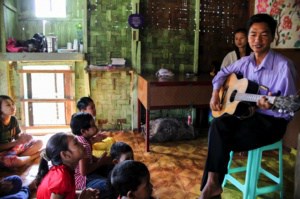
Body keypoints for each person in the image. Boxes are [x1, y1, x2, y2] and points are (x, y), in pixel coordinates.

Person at [198, 13, 298, 199]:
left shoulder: (284, 67)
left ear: (273, 36)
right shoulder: (245, 62)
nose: (257, 40)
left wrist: (271, 106)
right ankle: (212, 184)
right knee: (218, 125)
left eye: (264, 34)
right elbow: (221, 74)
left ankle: (211, 188)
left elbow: (290, 108)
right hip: (249, 116)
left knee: (218, 141)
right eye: (253, 34)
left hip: (271, 124)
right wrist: (215, 93)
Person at [35, 132, 99, 199]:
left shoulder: (65, 170)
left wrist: (83, 193)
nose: (82, 144)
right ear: (65, 155)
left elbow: (67, 194)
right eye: (76, 143)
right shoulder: (61, 176)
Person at [70, 112, 112, 198]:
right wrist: (100, 162)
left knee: (111, 168)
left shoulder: (85, 139)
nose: (96, 126)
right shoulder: (83, 146)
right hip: (83, 180)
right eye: (93, 125)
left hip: (87, 174)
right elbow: (84, 171)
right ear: (83, 131)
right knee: (108, 185)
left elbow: (88, 158)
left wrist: (97, 159)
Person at [0, 95, 43, 168]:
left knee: (39, 142)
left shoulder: (13, 119)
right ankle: (34, 155)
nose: (13, 107)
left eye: (13, 104)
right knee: (13, 161)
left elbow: (18, 136)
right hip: (2, 153)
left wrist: (25, 138)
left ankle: (18, 158)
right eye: (8, 105)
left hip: (12, 150)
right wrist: (17, 142)